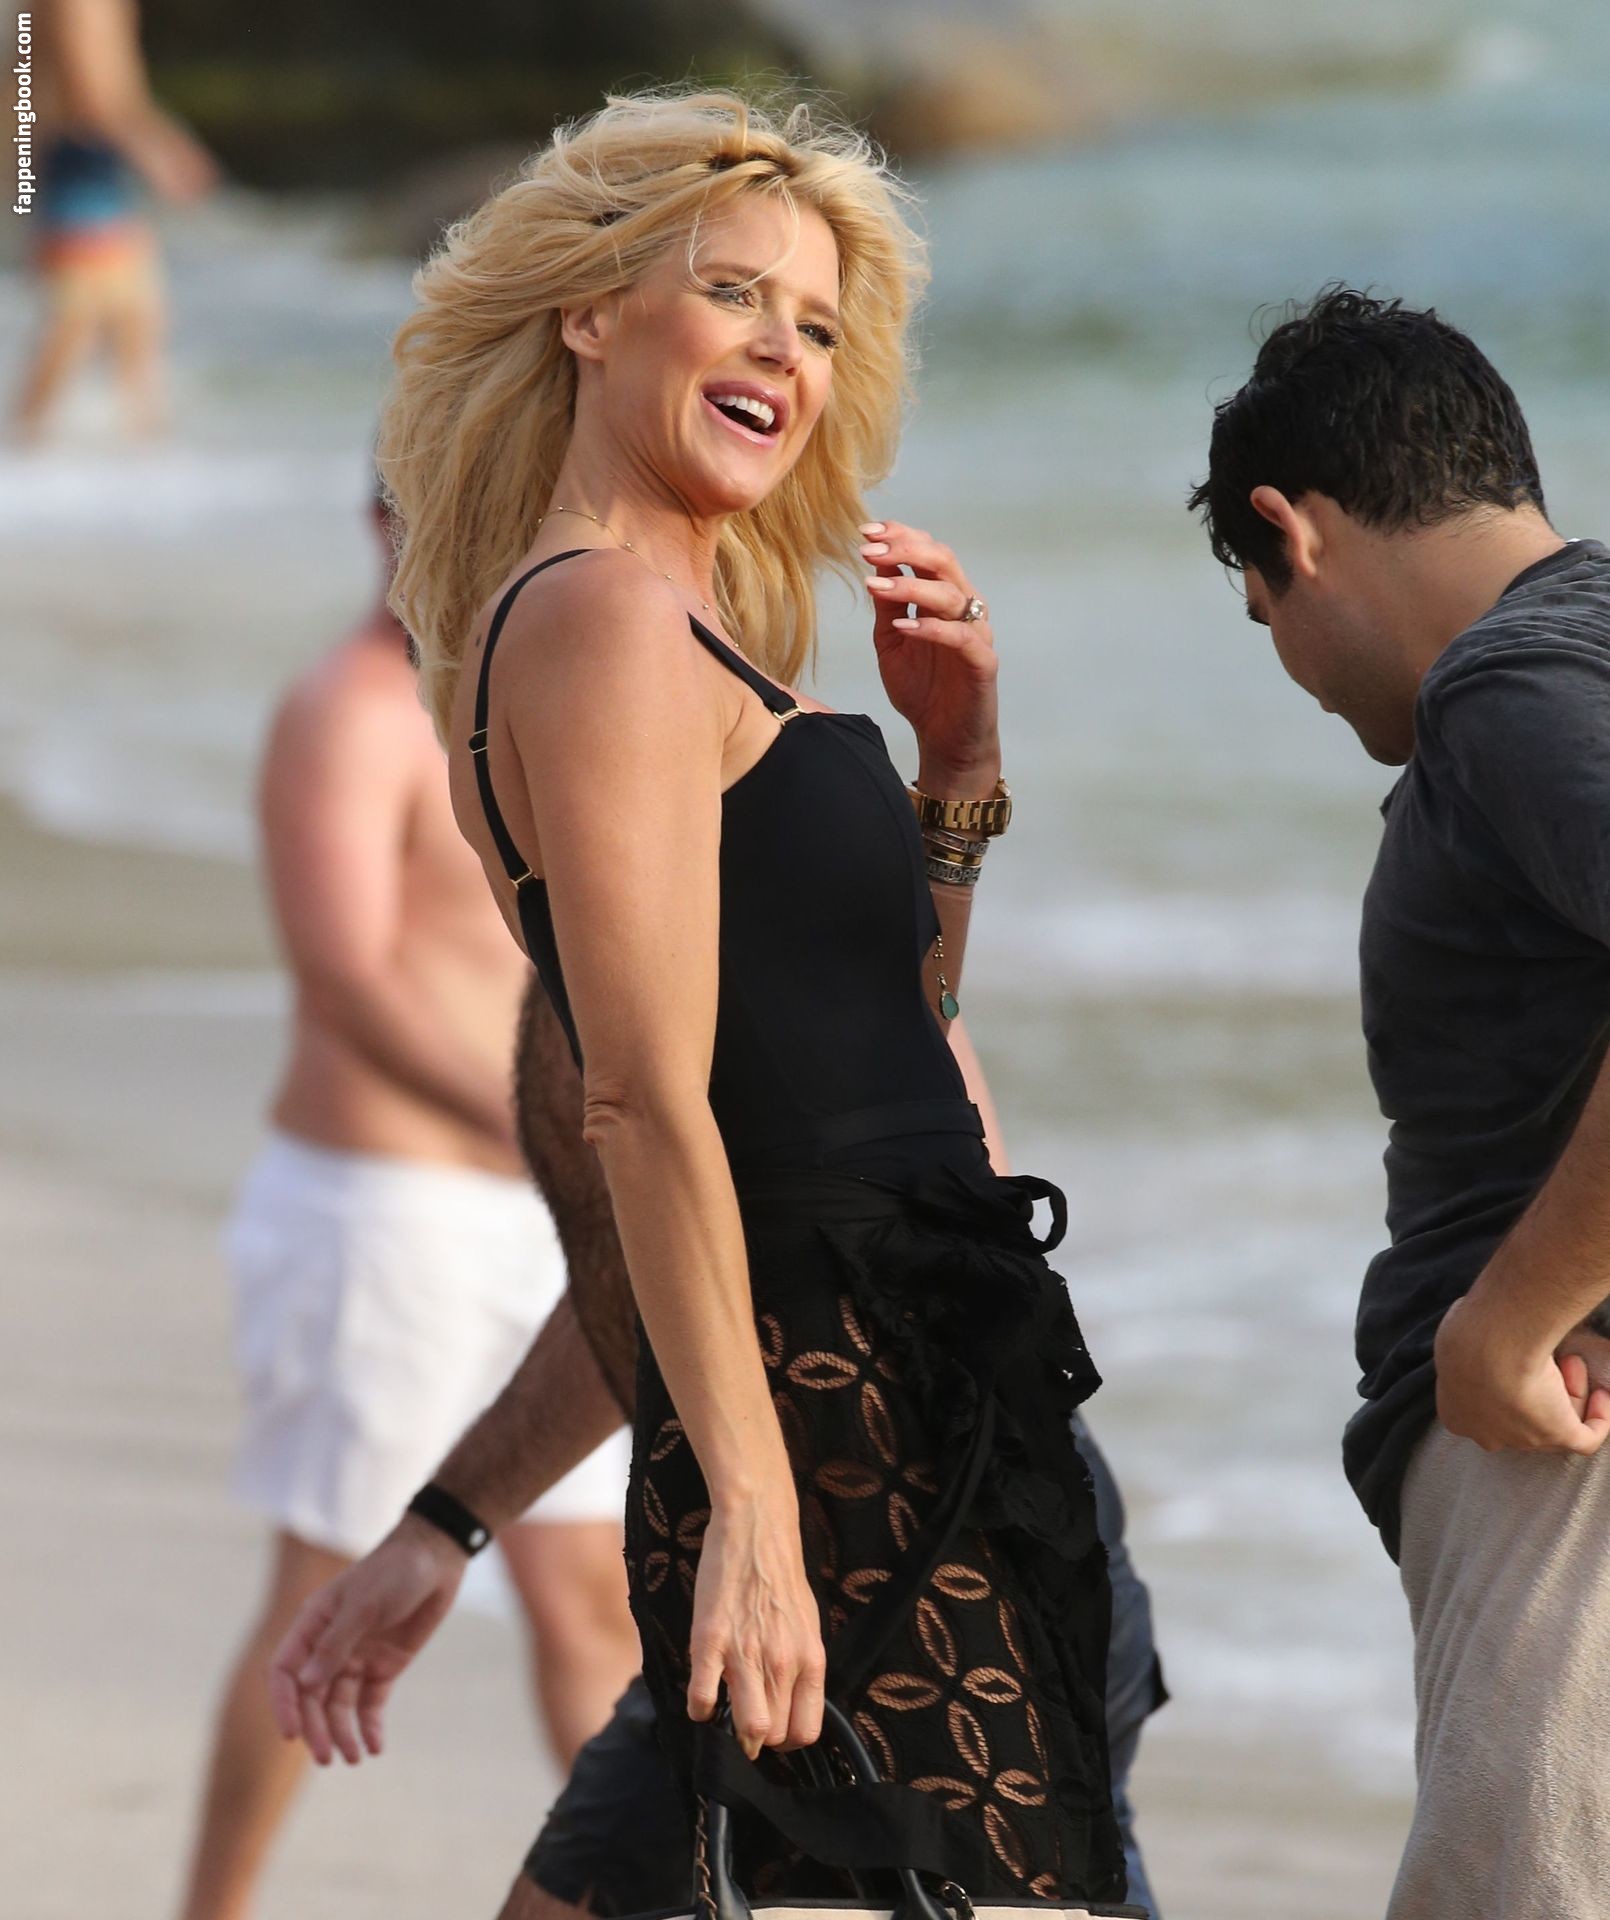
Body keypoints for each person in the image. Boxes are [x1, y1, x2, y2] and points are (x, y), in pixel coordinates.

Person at [272, 87, 1129, 1908]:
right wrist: (751, 1503)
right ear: (592, 311)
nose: (781, 353)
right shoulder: (596, 617)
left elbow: (886, 1039)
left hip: (913, 1361)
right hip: (834, 1405)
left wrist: (959, 771)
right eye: (733, 294)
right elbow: (647, 1102)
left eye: (814, 325)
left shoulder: (681, 629)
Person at [274, 978, 1167, 1919]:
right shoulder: (717, 949)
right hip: (845, 1562)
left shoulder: (711, 961)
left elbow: (898, 1270)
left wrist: (751, 1520)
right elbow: (665, 1298)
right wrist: (447, 1523)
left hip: (918, 1578)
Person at [1189, 287, 1610, 1920]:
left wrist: (1513, 1313)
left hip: (1556, 1454)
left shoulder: (1507, 685)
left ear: (1291, 533)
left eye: (1260, 614)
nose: (1292, 671)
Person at [176, 479, 637, 1920]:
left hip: (544, 1221)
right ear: (380, 523)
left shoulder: (526, 709)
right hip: (381, 1213)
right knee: (324, 1588)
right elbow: (348, 982)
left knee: (591, 1594)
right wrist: (560, 1138)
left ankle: (641, 1894)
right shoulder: (349, 711)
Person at [9, 0, 219, 444]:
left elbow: (29, 87)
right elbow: (94, 100)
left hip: (77, 174)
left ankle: (116, 463)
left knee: (126, 325)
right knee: (89, 328)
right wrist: (163, 152)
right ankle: (27, 451)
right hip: (83, 176)